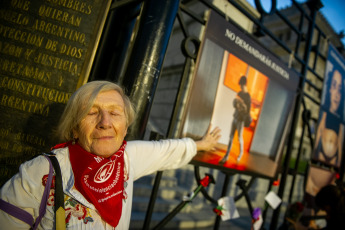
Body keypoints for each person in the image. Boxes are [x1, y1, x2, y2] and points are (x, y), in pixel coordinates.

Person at [0, 80, 221, 229]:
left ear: (125, 127)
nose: (105, 123)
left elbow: (167, 150)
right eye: (92, 112)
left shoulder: (128, 157)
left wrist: (201, 144)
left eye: (115, 113)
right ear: (74, 128)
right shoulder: (40, 171)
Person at [313, 69, 344, 167]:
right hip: (322, 152)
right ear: (330, 89)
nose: (337, 95)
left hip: (333, 158)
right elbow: (320, 130)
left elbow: (340, 140)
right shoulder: (325, 111)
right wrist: (314, 150)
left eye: (340, 89)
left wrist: (339, 160)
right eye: (334, 86)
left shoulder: (340, 118)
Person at [219, 75, 251, 164]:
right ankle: (226, 155)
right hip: (235, 117)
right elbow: (235, 104)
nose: (240, 86)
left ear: (244, 84)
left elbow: (247, 111)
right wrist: (236, 104)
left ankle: (240, 154)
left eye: (241, 85)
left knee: (240, 138)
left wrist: (241, 107)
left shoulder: (248, 97)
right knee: (231, 137)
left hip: (241, 121)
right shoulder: (240, 93)